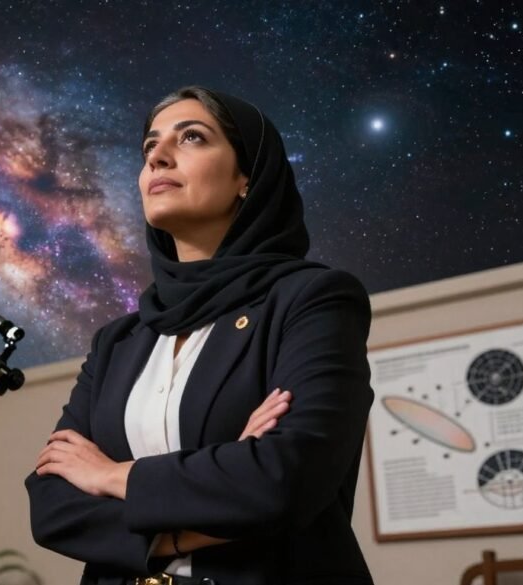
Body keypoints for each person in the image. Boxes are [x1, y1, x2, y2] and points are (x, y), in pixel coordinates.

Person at [26, 86, 375, 585]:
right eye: (150, 146)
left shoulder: (313, 299)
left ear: (247, 178)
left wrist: (110, 475)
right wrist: (182, 533)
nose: (158, 157)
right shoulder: (117, 341)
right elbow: (52, 503)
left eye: (191, 137)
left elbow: (284, 476)